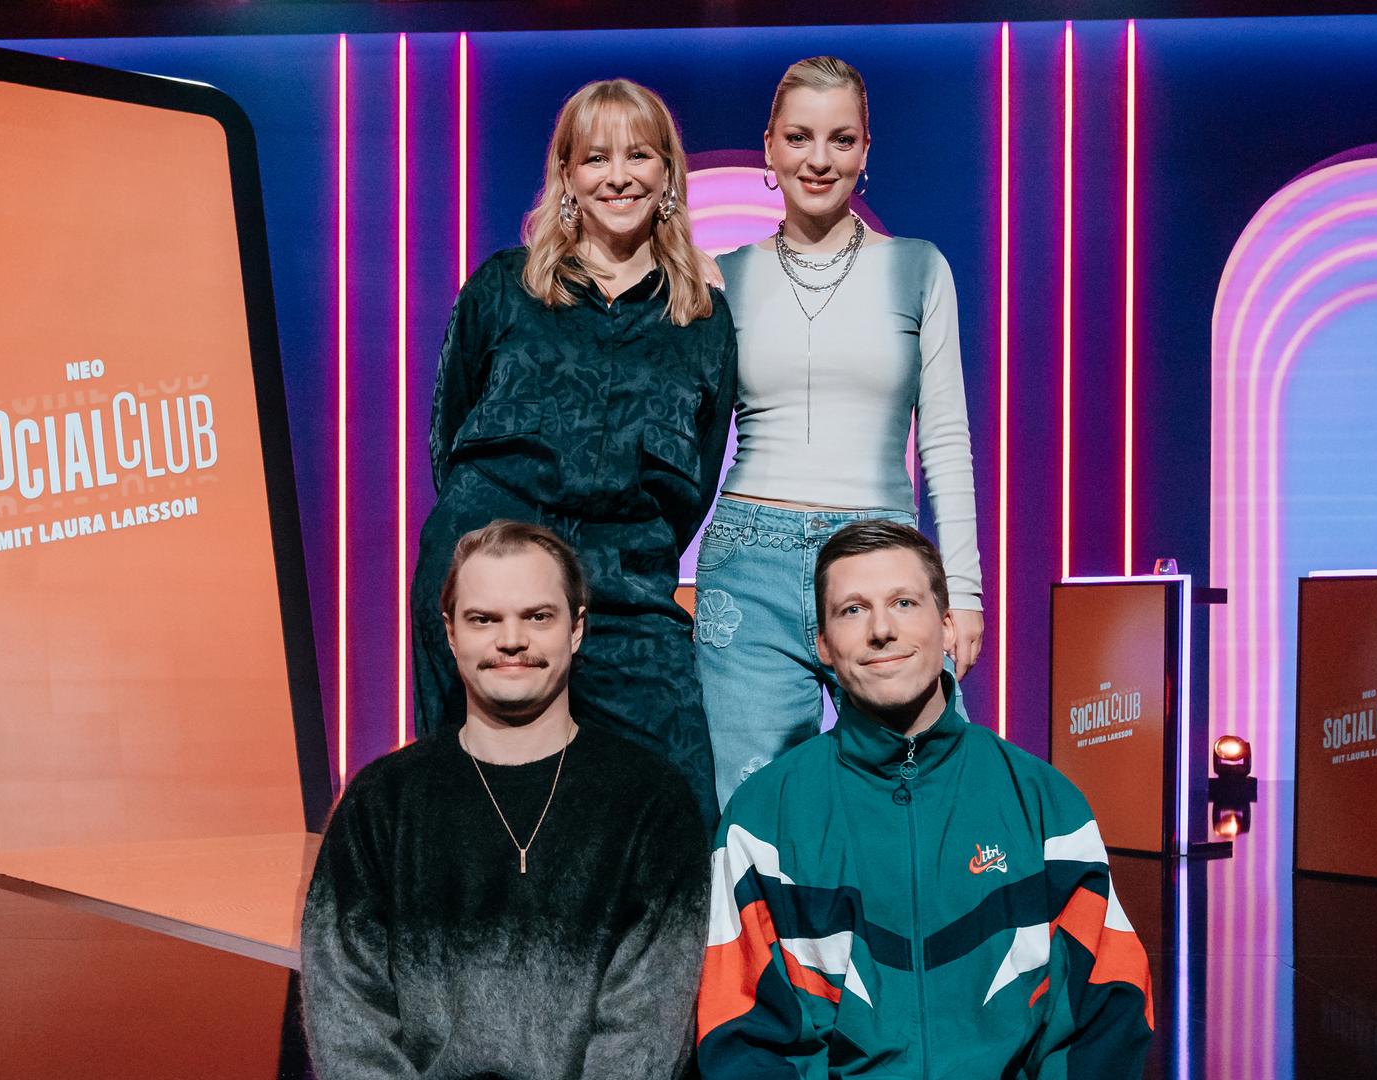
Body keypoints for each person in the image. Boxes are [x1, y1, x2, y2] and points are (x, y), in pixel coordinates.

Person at [696, 521, 1152, 1079]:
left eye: (904, 602)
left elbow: (1108, 1005)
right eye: (852, 610)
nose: (881, 630)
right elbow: (739, 1032)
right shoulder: (762, 819)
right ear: (822, 645)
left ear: (947, 624)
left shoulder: (1043, 804)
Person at [413, 77, 736, 820]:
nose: (617, 176)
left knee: (680, 806)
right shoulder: (502, 286)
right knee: (472, 804)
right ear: (567, 176)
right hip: (488, 578)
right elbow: (448, 434)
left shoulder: (703, 317)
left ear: (668, 175)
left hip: (626, 583)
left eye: (639, 156)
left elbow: (697, 472)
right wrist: (487, 550)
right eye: (595, 158)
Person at [303, 520, 710, 1079]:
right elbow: (348, 1023)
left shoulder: (651, 803)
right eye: (484, 619)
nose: (511, 640)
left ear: (577, 629)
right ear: (449, 633)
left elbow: (646, 1030)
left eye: (537, 616)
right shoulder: (380, 804)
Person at [695, 56, 985, 807]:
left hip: (883, 559)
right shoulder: (723, 278)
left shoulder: (919, 269)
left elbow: (945, 438)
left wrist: (965, 591)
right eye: (799, 137)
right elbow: (682, 444)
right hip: (747, 562)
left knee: (920, 793)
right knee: (751, 809)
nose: (818, 159)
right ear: (768, 147)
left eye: (840, 139)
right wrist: (678, 572)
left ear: (865, 150)